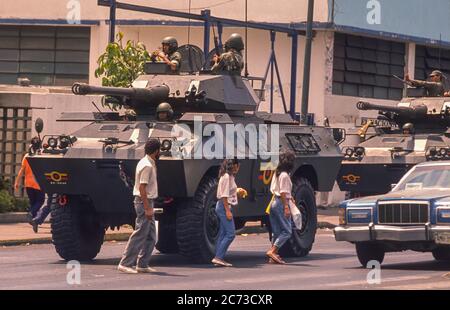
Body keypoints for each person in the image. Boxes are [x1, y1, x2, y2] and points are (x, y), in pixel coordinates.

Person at [118, 138, 161, 274]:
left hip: (148, 201)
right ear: (156, 151)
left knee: (151, 236)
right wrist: (148, 208)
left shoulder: (148, 162)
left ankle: (142, 264)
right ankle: (125, 263)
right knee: (140, 233)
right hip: (144, 202)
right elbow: (142, 188)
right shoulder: (147, 165)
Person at [211, 159, 247, 267]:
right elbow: (224, 195)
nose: (238, 168)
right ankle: (218, 257)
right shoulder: (226, 176)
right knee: (231, 234)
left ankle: (219, 257)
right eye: (238, 166)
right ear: (234, 165)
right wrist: (227, 210)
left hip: (224, 205)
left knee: (223, 233)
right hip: (223, 206)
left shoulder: (228, 176)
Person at [266, 151, 295, 265]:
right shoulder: (285, 175)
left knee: (277, 231)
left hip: (274, 202)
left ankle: (273, 256)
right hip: (280, 203)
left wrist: (290, 197)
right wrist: (286, 207)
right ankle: (272, 251)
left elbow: (281, 190)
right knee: (287, 231)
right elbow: (283, 192)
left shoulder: (277, 173)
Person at [14, 137, 45, 233]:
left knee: (33, 203)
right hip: (38, 184)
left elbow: (22, 170)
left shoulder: (27, 156)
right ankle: (31, 215)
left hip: (28, 184)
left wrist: (17, 182)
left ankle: (34, 223)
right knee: (40, 201)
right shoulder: (41, 156)